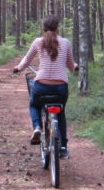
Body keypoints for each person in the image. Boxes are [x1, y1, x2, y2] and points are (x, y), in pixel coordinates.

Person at [12, 16, 77, 157]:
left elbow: (26, 60)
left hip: (41, 85)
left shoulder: (38, 42)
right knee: (61, 113)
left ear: (43, 29)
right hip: (61, 87)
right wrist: (75, 67)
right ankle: (64, 147)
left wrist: (18, 68)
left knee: (34, 105)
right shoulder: (65, 42)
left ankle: (37, 127)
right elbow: (71, 65)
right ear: (57, 28)